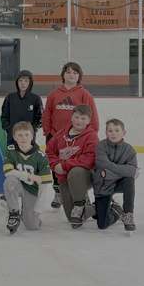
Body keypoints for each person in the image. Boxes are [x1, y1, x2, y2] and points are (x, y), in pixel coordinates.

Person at [42, 62, 98, 209]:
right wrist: (48, 133)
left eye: (75, 72)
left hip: (78, 139)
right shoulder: (54, 94)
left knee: (76, 168)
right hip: (57, 138)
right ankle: (58, 192)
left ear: (79, 76)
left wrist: (90, 134)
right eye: (68, 72)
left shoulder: (84, 94)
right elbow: (47, 114)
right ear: (63, 75)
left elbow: (93, 116)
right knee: (57, 166)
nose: (71, 75)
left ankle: (81, 195)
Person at [46, 104, 98, 229]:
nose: (79, 121)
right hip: (64, 178)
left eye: (83, 118)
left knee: (75, 172)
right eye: (77, 117)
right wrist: (55, 165)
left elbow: (89, 159)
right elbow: (49, 151)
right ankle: (98, 207)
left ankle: (80, 204)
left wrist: (63, 165)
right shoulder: (61, 134)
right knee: (73, 219)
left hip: (84, 176)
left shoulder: (91, 136)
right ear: (72, 117)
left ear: (89, 121)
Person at [2, 121, 54, 234]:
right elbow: (8, 171)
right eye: (19, 135)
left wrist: (38, 209)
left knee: (32, 226)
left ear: (32, 136)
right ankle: (14, 212)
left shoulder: (41, 156)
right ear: (14, 137)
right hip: (18, 185)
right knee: (9, 181)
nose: (23, 138)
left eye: (26, 134)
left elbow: (44, 185)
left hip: (32, 190)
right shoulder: (11, 150)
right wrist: (29, 176)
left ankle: (27, 214)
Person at [94, 119, 139, 233]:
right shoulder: (101, 146)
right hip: (103, 187)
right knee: (102, 224)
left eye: (117, 130)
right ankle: (116, 210)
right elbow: (101, 165)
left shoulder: (129, 150)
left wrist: (108, 172)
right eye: (110, 130)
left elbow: (132, 171)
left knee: (129, 180)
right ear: (106, 133)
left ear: (124, 133)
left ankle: (128, 214)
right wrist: (121, 171)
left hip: (118, 183)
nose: (113, 133)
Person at [1, 70, 43, 146]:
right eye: (20, 80)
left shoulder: (35, 98)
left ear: (30, 83)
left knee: (27, 157)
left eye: (26, 81)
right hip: (12, 137)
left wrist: (32, 130)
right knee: (13, 157)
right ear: (17, 82)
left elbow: (40, 117)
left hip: (28, 138)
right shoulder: (10, 97)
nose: (23, 83)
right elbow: (4, 116)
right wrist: (9, 129)